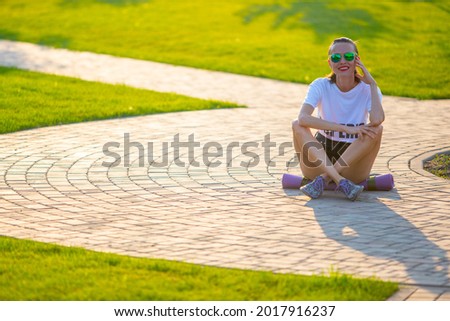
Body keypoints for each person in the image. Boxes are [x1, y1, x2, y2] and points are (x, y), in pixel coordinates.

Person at [292, 37, 385, 201]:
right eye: (336, 58)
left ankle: (325, 180)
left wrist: (373, 84)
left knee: (376, 130)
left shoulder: (368, 88)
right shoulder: (320, 85)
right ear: (330, 63)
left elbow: (377, 119)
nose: (342, 61)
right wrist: (346, 128)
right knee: (297, 125)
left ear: (357, 60)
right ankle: (340, 181)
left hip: (353, 163)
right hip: (319, 159)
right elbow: (303, 118)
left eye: (348, 56)